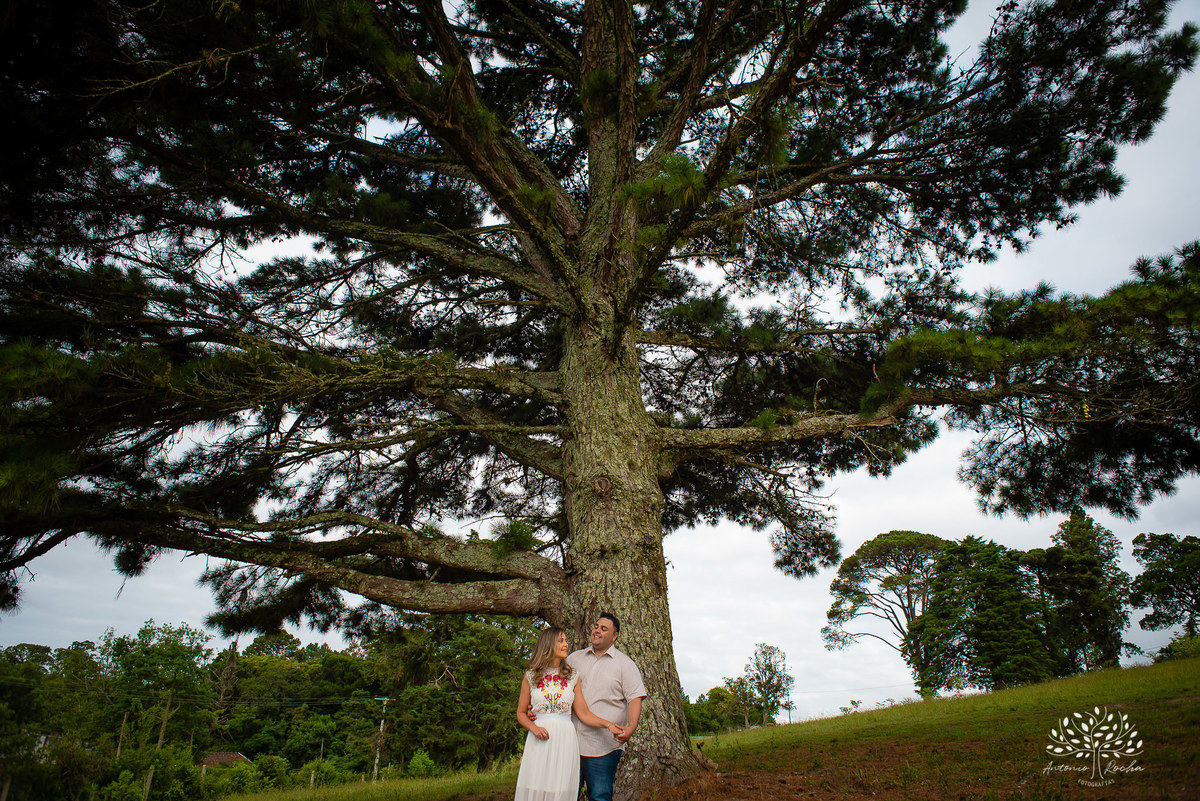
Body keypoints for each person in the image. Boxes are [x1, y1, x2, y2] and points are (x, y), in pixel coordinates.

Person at [515, 627, 623, 801]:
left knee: (560, 790)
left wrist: (609, 725)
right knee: (537, 786)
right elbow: (521, 713)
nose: (566, 644)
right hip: (539, 739)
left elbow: (584, 713)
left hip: (565, 740)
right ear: (548, 644)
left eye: (565, 640)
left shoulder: (572, 676)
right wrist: (533, 727)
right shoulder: (531, 676)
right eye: (561, 641)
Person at [566, 612, 647, 801]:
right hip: (570, 744)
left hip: (603, 747)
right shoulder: (574, 659)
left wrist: (631, 727)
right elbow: (556, 687)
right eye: (596, 627)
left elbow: (635, 698)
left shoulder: (625, 665)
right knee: (567, 796)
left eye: (604, 629)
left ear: (614, 636)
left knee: (600, 796)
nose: (597, 631)